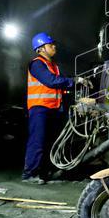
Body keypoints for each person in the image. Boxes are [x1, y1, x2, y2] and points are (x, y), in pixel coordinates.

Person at [23, 32, 83, 184]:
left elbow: (60, 83)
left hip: (54, 108)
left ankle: (44, 172)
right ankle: (29, 174)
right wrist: (73, 81)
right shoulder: (37, 64)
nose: (54, 46)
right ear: (41, 49)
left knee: (50, 141)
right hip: (40, 108)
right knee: (37, 141)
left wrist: (76, 83)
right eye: (51, 45)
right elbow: (51, 81)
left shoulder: (53, 66)